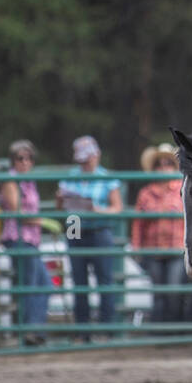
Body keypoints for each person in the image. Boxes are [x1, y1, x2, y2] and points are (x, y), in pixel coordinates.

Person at [57, 135, 123, 336]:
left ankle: (107, 328)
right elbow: (60, 208)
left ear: (97, 155)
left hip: (99, 227)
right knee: (79, 281)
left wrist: (96, 210)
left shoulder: (107, 177)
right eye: (83, 159)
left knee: (105, 281)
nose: (86, 162)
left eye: (89, 158)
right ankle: (83, 329)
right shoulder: (69, 177)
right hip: (75, 225)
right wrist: (60, 199)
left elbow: (117, 208)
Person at [131, 143, 192, 326]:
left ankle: (175, 328)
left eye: (168, 163)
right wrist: (137, 247)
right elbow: (138, 223)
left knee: (174, 290)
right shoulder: (145, 193)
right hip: (153, 250)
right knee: (159, 292)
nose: (163, 167)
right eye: (159, 164)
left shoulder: (183, 189)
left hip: (176, 249)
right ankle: (161, 330)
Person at [0, 139, 52, 345]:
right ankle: (29, 330)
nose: (25, 162)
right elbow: (17, 211)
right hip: (18, 238)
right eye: (20, 158)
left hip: (31, 239)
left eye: (29, 158)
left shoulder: (29, 181)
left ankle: (34, 329)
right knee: (30, 284)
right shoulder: (10, 181)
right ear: (13, 161)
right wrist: (43, 221)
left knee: (44, 284)